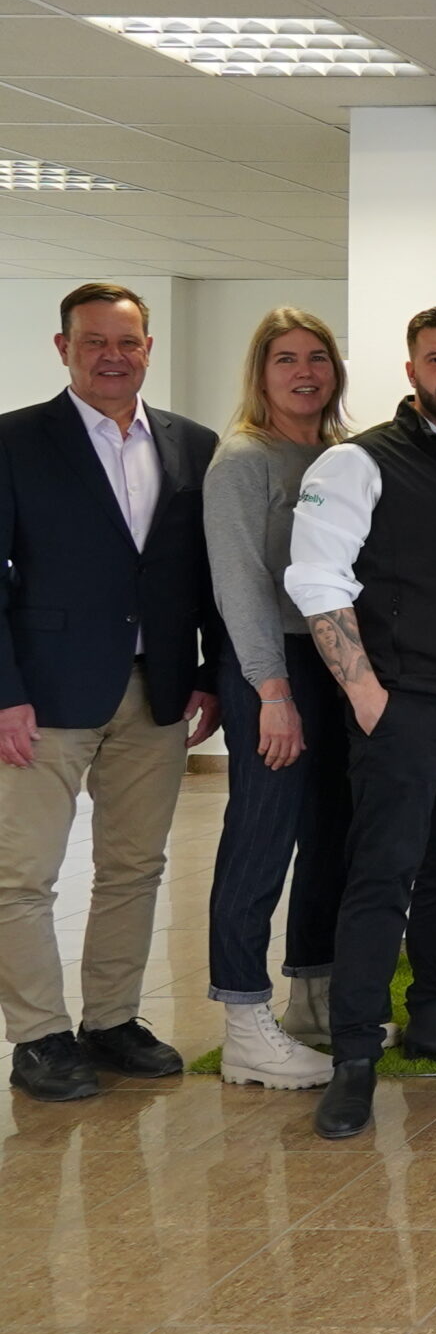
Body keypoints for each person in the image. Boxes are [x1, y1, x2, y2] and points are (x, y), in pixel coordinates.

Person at [286, 308, 436, 1137]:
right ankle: (355, 1053)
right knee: (382, 874)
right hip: (405, 709)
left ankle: (434, 1014)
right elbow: (317, 577)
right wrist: (367, 696)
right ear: (411, 368)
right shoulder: (358, 461)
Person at [0, 282, 222, 1102]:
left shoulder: (191, 443)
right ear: (63, 348)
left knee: (134, 865)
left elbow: (204, 571)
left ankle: (112, 1020)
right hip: (43, 695)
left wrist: (209, 673)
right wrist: (4, 692)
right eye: (94, 341)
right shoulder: (15, 441)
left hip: (156, 688)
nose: (112, 356)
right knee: (22, 875)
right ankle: (38, 1035)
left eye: (127, 341)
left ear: (148, 349)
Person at [202, 307, 352, 1089]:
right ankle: (244, 1022)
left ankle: (313, 1003)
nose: (304, 372)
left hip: (333, 660)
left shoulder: (339, 456)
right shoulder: (243, 459)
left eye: (317, 357)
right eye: (286, 358)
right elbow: (240, 583)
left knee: (330, 834)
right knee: (261, 838)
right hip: (273, 668)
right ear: (261, 372)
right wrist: (271, 690)